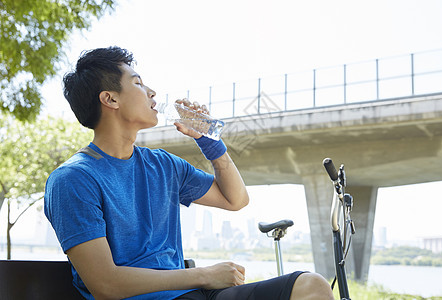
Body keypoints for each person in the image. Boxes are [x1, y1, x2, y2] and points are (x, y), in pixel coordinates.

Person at [44, 46, 334, 300]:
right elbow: (105, 284)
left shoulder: (163, 165)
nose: (152, 92)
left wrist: (211, 143)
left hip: (191, 294)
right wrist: (204, 275)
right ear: (110, 99)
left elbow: (236, 200)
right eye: (138, 83)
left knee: (311, 286)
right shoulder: (73, 180)